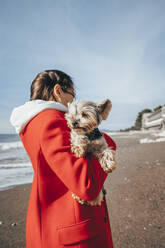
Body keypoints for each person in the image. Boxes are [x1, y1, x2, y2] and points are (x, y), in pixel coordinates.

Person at [10, 70, 116, 248]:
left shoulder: (31, 123)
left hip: (49, 215)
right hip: (73, 228)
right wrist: (105, 141)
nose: (72, 102)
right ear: (58, 90)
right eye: (72, 95)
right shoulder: (53, 120)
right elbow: (86, 184)